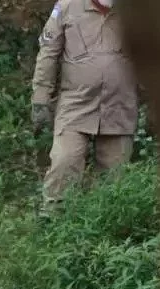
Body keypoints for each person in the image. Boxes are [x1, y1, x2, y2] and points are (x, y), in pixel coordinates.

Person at [32, 0, 138, 213]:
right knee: (64, 161)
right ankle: (52, 221)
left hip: (120, 105)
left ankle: (105, 234)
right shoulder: (67, 6)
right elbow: (48, 54)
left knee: (115, 179)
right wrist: (40, 99)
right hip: (76, 103)